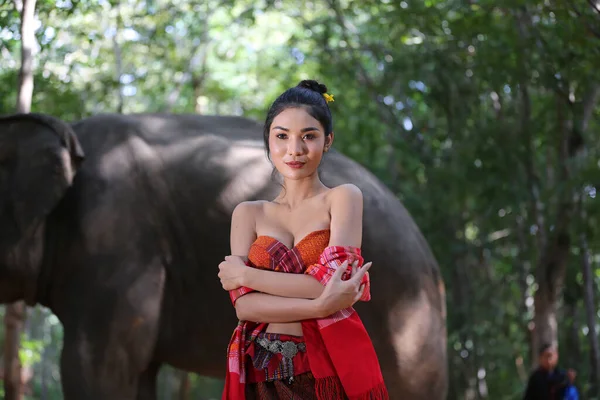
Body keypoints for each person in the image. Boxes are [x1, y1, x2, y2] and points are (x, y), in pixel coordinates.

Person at [217, 80, 389, 399]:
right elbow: (245, 307)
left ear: (327, 141)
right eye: (282, 136)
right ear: (268, 141)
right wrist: (323, 305)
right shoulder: (248, 214)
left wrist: (247, 275)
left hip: (326, 366)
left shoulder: (343, 198)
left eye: (308, 136)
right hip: (260, 369)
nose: (294, 150)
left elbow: (329, 282)